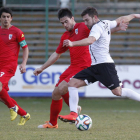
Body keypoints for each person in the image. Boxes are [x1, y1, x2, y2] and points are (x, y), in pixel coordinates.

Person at [33, 8, 128, 129]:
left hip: (85, 66)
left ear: (72, 18)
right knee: (56, 93)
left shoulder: (84, 26)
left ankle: (74, 111)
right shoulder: (65, 36)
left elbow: (100, 33)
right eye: (62, 23)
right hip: (73, 66)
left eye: (66, 21)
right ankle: (53, 123)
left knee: (63, 88)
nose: (65, 25)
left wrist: (117, 28)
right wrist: (42, 68)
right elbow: (57, 54)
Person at [58, 7, 140, 123]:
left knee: (118, 92)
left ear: (94, 17)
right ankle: (73, 113)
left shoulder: (96, 27)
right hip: (95, 66)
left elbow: (90, 40)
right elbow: (121, 19)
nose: (85, 23)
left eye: (87, 20)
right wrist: (134, 15)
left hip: (104, 66)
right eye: (84, 20)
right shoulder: (106, 23)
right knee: (72, 84)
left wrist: (72, 43)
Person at [0, 7, 30, 125]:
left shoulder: (17, 32)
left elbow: (25, 48)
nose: (6, 19)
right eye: (4, 17)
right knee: (2, 96)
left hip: (9, 66)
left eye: (8, 17)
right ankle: (24, 114)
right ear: (0, 18)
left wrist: (23, 63)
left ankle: (13, 108)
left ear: (11, 18)